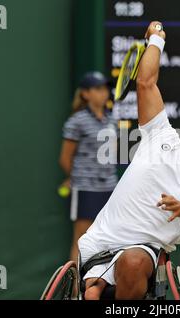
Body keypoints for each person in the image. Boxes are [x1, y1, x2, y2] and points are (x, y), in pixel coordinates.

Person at [79, 21, 180, 300]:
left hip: (142, 253)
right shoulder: (161, 134)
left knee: (133, 261)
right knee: (91, 296)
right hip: (99, 244)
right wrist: (156, 39)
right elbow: (145, 82)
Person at [59, 71, 118, 261]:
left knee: (111, 240)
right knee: (81, 240)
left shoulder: (112, 120)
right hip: (86, 189)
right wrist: (75, 178)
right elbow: (65, 158)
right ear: (85, 94)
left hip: (111, 188)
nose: (104, 93)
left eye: (105, 89)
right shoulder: (77, 122)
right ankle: (75, 289)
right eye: (98, 89)